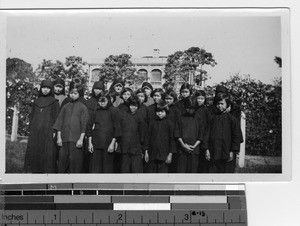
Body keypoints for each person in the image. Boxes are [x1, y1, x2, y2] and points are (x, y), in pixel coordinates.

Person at [23, 79, 60, 173]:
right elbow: (32, 116)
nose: (46, 90)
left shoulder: (54, 102)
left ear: (51, 89)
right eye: (44, 87)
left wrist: (54, 131)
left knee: (47, 151)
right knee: (34, 149)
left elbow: (57, 118)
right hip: (35, 130)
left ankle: (46, 172)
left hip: (48, 131)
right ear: (41, 88)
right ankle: (32, 170)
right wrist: (30, 129)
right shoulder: (36, 101)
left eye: (48, 88)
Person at [53, 83, 89, 173]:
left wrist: (81, 139)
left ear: (79, 94)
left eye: (75, 93)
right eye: (71, 93)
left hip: (76, 140)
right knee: (62, 163)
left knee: (75, 164)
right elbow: (59, 122)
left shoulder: (83, 107)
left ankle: (74, 184)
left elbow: (84, 125)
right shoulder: (66, 106)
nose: (72, 95)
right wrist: (59, 137)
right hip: (64, 139)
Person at [86, 91, 121, 173]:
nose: (102, 103)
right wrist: (90, 143)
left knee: (107, 168)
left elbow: (117, 128)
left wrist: (112, 143)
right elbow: (89, 127)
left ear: (108, 100)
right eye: (100, 101)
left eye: (104, 101)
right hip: (96, 143)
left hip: (108, 143)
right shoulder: (96, 111)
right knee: (95, 168)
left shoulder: (114, 111)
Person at [207, 93, 242, 173]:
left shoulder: (232, 120)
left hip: (227, 153)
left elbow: (236, 137)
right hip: (214, 152)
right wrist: (207, 149)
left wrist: (232, 151)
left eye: (222, 104)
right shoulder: (212, 119)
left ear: (227, 104)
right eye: (218, 104)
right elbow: (207, 134)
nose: (220, 106)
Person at [145, 101, 176, 173]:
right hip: (152, 154)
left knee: (163, 174)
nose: (159, 113)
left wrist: (170, 154)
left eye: (162, 111)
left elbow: (172, 140)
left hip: (164, 154)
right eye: (158, 111)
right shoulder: (152, 123)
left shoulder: (170, 124)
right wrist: (146, 151)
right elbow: (147, 137)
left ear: (166, 112)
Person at [175, 96, 204, 173]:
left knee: (192, 172)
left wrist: (194, 146)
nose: (190, 110)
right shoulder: (180, 117)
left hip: (195, 149)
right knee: (181, 172)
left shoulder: (199, 118)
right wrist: (183, 145)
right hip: (182, 149)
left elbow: (201, 135)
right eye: (188, 108)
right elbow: (177, 133)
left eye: (192, 108)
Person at [120, 96, 147, 173]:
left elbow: (142, 133)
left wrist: (141, 146)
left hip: (136, 148)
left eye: (135, 106)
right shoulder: (123, 116)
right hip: (125, 147)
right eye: (131, 105)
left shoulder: (140, 117)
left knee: (136, 170)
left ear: (138, 106)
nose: (133, 107)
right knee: (125, 170)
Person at [194, 90, 211, 173]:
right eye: (198, 98)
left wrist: (205, 142)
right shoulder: (193, 109)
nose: (199, 100)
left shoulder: (206, 111)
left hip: (202, 140)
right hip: (193, 139)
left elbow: (208, 127)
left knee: (201, 165)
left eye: (202, 98)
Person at [164, 89, 179, 173]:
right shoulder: (162, 108)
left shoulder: (176, 110)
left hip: (173, 137)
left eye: (170, 99)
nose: (168, 100)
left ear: (174, 99)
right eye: (166, 98)